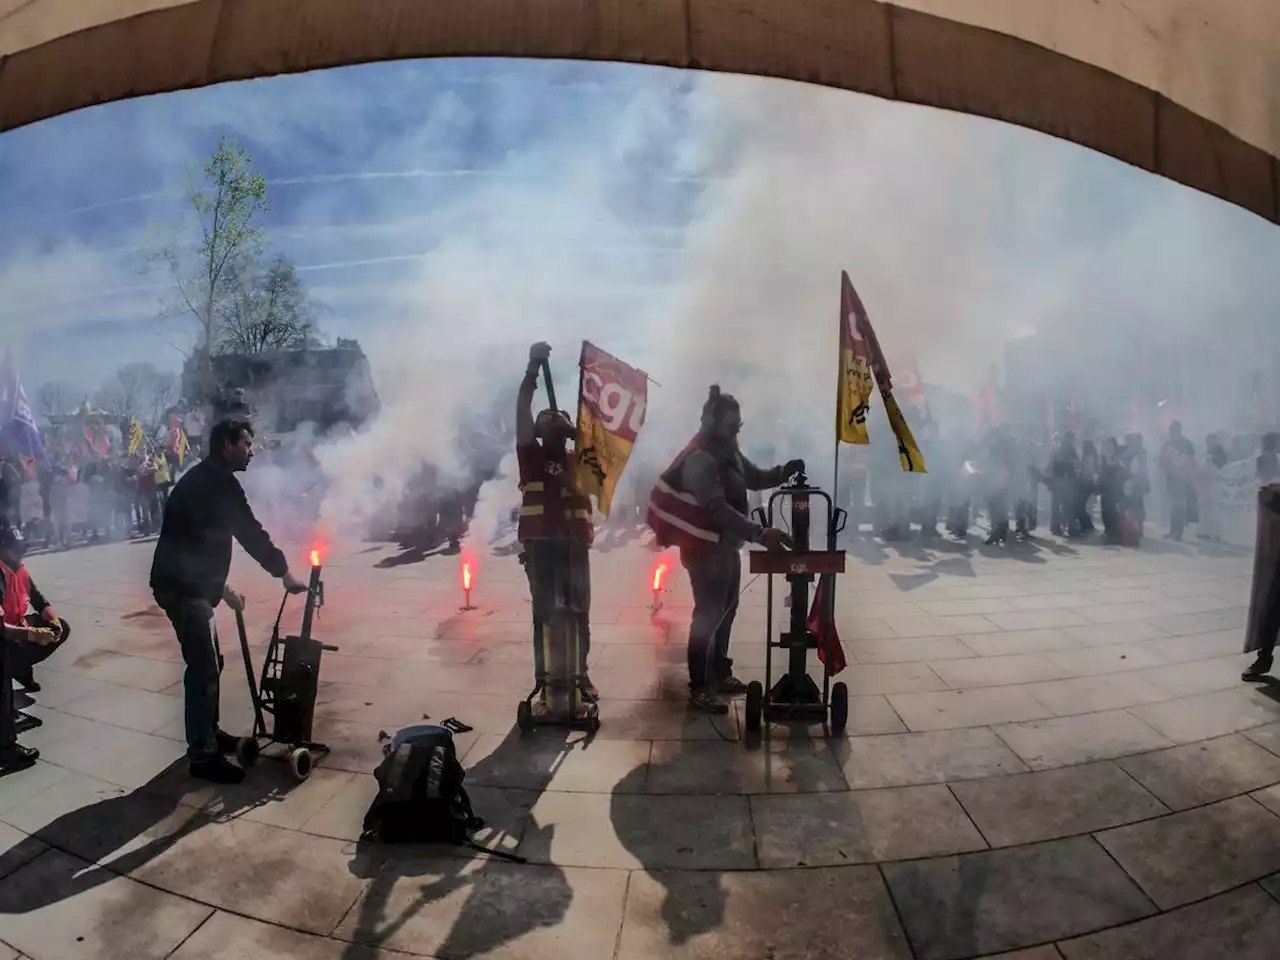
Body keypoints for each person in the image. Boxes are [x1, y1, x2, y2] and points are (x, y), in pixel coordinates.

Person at [150, 419, 308, 784]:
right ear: (226, 445)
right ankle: (203, 756)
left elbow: (198, 543)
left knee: (211, 663)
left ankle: (210, 731)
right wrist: (283, 571)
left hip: (191, 583)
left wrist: (222, 589)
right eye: (246, 444)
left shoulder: (206, 479)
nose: (251, 451)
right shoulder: (218, 484)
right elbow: (249, 532)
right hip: (183, 589)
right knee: (203, 669)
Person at [648, 385, 799, 714]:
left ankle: (719, 672)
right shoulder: (701, 458)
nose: (736, 432)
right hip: (703, 550)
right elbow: (717, 509)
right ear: (711, 423)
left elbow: (752, 477)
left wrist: (782, 472)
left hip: (727, 548)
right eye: (731, 426)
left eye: (739, 426)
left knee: (727, 611)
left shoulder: (728, 450)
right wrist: (760, 532)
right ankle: (700, 687)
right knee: (707, 617)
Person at [515, 342, 597, 713]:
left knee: (579, 612)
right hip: (542, 546)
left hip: (576, 544)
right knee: (544, 615)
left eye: (557, 419)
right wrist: (533, 367)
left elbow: (600, 456)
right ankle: (544, 679)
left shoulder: (578, 459)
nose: (552, 421)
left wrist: (574, 432)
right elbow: (521, 409)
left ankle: (581, 676)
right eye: (547, 419)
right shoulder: (529, 455)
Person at [0, 527, 65, 773]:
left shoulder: (19, 570)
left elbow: (38, 599)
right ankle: (6, 749)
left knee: (60, 629)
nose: (20, 552)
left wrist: (52, 621)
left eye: (23, 547)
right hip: (5, 636)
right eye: (16, 548)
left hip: (13, 631)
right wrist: (31, 634)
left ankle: (21, 667)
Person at [1158, 421, 1197, 541]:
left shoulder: (1186, 444)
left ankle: (1178, 531)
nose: (1171, 433)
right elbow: (1162, 459)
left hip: (1182, 479)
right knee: (1172, 505)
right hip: (1171, 478)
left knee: (1178, 505)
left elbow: (1190, 460)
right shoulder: (1167, 444)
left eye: (1173, 430)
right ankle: (1173, 530)